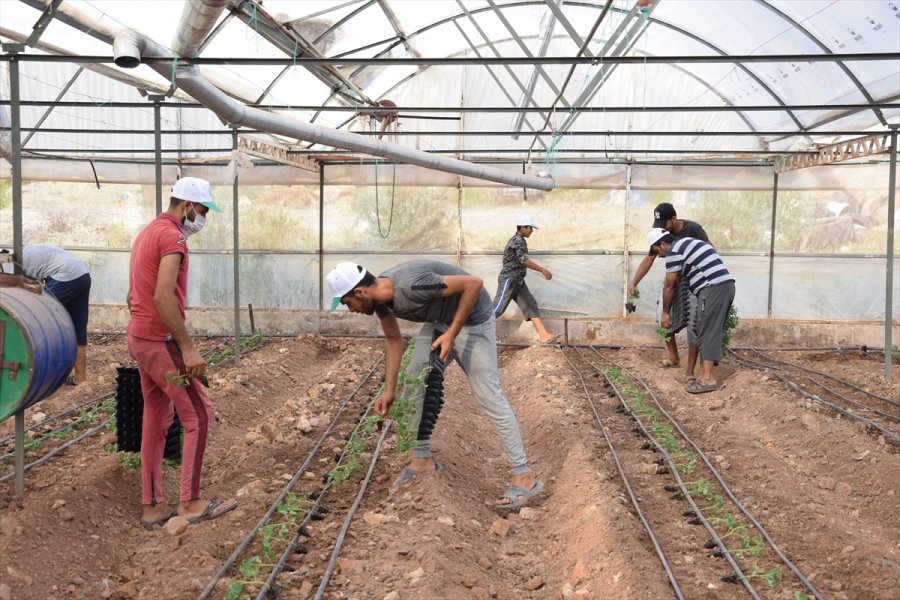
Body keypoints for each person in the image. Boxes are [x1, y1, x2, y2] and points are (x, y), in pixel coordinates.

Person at [327, 259, 544, 509]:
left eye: (347, 302)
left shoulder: (411, 285)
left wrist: (451, 334)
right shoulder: (380, 300)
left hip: (473, 320)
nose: (349, 309)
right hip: (440, 320)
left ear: (359, 292)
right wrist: (389, 391)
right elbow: (393, 339)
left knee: (488, 397)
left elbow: (474, 284)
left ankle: (523, 478)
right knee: (414, 382)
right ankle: (421, 460)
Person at [126, 176, 236, 528]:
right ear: (187, 205)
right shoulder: (173, 239)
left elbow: (132, 294)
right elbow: (163, 296)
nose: (204, 218)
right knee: (200, 415)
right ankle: (190, 502)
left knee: (156, 419)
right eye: (203, 210)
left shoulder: (147, 233)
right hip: (160, 341)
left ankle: (153, 506)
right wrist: (187, 347)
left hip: (140, 337)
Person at [648, 228, 735, 394]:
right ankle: (703, 375)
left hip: (712, 287)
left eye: (657, 250)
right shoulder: (688, 243)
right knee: (707, 329)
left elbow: (669, 285)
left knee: (707, 330)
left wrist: (665, 313)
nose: (659, 256)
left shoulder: (674, 251)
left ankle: (707, 379)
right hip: (726, 285)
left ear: (663, 244)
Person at [629, 202, 710, 378]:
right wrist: (634, 283)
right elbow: (649, 259)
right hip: (673, 280)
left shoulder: (693, 229)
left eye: (664, 223)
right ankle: (674, 357)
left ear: (673, 219)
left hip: (694, 282)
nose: (662, 228)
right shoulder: (662, 236)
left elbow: (709, 250)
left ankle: (698, 366)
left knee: (694, 323)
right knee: (662, 316)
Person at [21, 244, 92, 385]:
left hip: (65, 276)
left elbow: (21, 289)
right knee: (78, 330)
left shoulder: (13, 263)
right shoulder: (27, 251)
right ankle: (80, 379)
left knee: (36, 315)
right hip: (83, 275)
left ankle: (38, 375)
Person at [493, 214, 557, 343]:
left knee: (530, 305)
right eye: (530, 228)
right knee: (496, 309)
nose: (531, 231)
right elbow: (524, 260)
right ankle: (475, 333)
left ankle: (544, 335)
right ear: (522, 227)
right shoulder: (517, 240)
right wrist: (543, 270)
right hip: (509, 280)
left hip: (518, 281)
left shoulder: (521, 240)